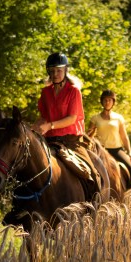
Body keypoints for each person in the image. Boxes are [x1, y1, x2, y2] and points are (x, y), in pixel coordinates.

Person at [35, 53, 100, 193]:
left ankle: (95, 199)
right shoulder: (45, 92)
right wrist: (34, 127)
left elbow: (72, 118)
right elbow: (43, 117)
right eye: (52, 71)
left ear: (65, 70)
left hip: (71, 141)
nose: (55, 74)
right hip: (49, 140)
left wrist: (50, 125)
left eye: (58, 70)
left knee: (91, 172)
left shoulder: (74, 91)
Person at [87, 89, 131, 187]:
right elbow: (89, 135)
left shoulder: (119, 118)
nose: (107, 102)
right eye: (105, 100)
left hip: (116, 150)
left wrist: (129, 152)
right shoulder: (95, 118)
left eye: (110, 100)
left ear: (113, 102)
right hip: (100, 150)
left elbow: (124, 136)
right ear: (102, 102)